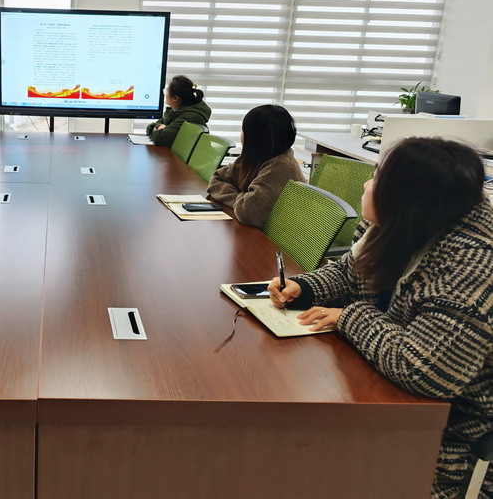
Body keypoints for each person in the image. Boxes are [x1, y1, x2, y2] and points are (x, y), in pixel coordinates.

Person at [268, 137, 492, 499]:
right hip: (380, 384)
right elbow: (350, 271)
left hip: (445, 433)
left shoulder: (472, 263)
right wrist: (304, 287)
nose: (366, 184)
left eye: (378, 179)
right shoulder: (399, 221)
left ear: (408, 197)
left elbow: (424, 370)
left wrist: (349, 316)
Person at [206, 104, 304, 228]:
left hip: (277, 237)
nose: (241, 134)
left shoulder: (279, 167)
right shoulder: (257, 157)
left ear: (255, 138)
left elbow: (248, 213)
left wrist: (240, 200)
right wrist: (241, 199)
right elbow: (216, 179)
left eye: (243, 130)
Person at [145, 75, 212, 147]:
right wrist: (158, 127)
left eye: (166, 91)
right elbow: (152, 126)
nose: (165, 94)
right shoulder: (175, 112)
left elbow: (160, 138)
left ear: (175, 98)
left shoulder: (190, 117)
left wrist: (158, 127)